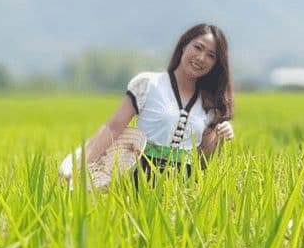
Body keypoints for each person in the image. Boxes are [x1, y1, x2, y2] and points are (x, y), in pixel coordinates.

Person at [65, 23, 235, 186]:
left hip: (183, 185)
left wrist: (220, 139)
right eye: (198, 47)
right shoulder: (148, 84)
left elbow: (202, 161)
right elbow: (113, 128)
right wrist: (83, 167)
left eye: (211, 55)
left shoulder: (210, 104)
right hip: (141, 176)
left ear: (215, 64)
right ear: (184, 45)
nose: (201, 58)